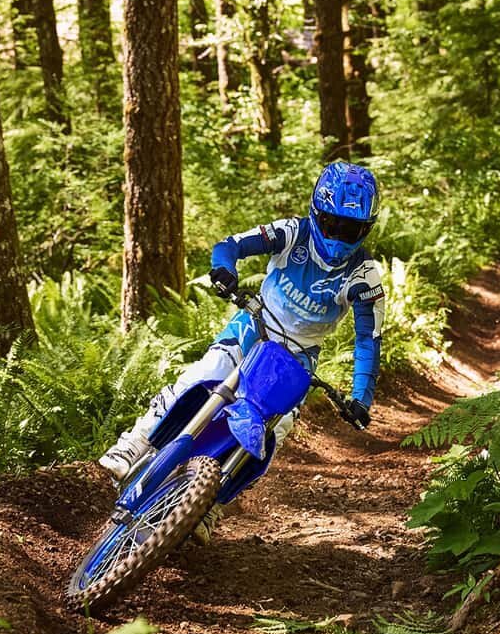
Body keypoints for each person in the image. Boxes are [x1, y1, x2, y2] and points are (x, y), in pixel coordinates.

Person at [98, 161, 385, 496]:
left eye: (350, 230)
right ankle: (133, 444)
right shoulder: (293, 233)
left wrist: (360, 399)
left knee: (276, 428)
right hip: (255, 324)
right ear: (316, 212)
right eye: (333, 224)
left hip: (299, 355)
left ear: (365, 229)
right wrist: (224, 269)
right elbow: (230, 245)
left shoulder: (365, 276)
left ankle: (214, 502)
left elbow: (368, 339)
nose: (338, 236)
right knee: (205, 373)